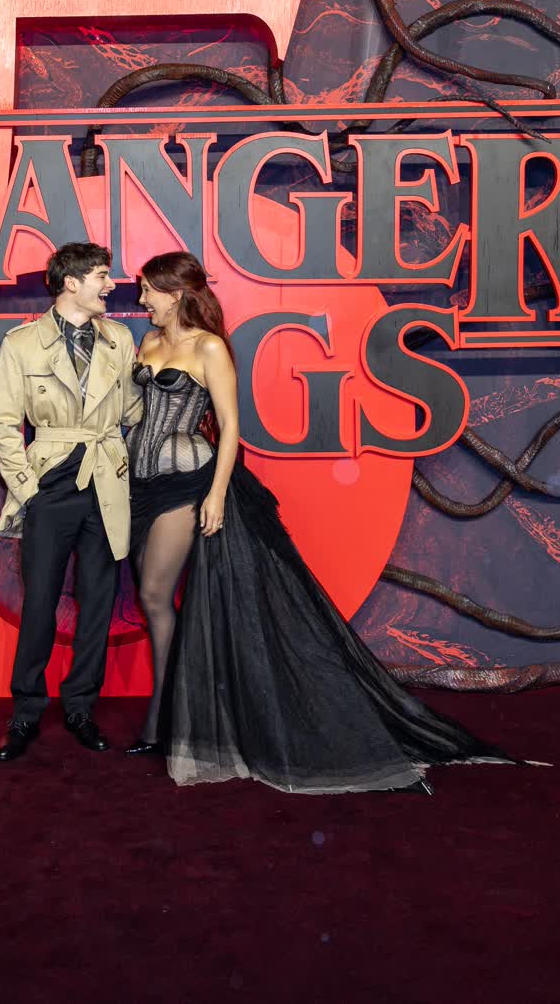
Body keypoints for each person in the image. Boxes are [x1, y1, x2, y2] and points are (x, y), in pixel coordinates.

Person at [125, 250, 516, 793]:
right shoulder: (148, 342)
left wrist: (215, 495)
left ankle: (162, 722)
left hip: (187, 484)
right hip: (138, 487)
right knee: (153, 602)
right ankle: (170, 717)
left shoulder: (208, 347)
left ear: (174, 293)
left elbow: (231, 426)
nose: (142, 298)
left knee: (153, 596)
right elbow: (136, 413)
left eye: (148, 289)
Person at [0, 242, 142, 762]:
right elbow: (5, 425)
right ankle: (26, 712)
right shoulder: (22, 343)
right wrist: (28, 492)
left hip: (107, 478)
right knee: (40, 603)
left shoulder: (120, 339)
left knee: (98, 602)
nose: (111, 285)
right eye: (102, 275)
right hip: (50, 481)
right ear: (70, 282)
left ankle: (80, 708)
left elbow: (134, 411)